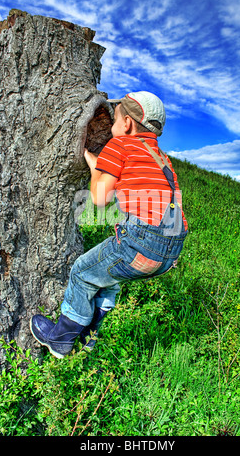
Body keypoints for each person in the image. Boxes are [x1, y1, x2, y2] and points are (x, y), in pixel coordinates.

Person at [30, 91, 188, 358]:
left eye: (113, 119)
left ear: (126, 123)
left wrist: (95, 171)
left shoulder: (120, 145)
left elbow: (99, 199)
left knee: (81, 271)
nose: (110, 127)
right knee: (107, 279)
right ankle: (88, 339)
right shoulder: (161, 158)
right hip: (170, 251)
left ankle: (61, 338)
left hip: (141, 243)